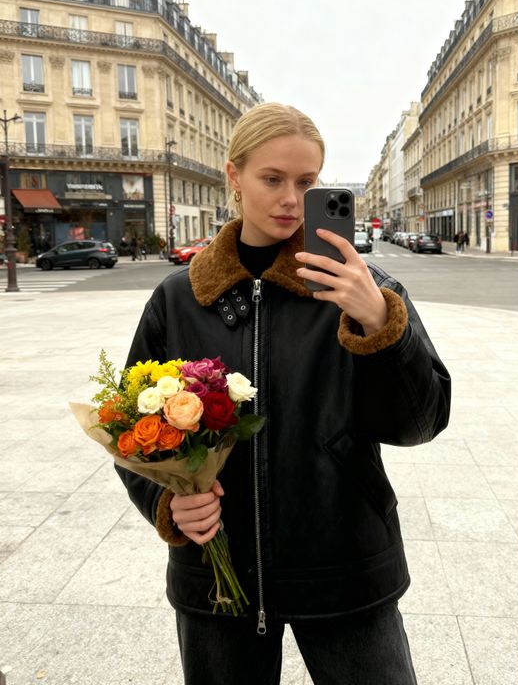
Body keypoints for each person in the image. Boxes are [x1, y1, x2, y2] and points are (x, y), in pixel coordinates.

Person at [116, 102, 451, 685]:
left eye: (307, 182)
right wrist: (167, 505)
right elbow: (129, 429)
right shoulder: (178, 300)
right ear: (234, 177)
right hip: (217, 578)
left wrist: (378, 324)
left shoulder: (366, 293)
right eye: (272, 179)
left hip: (345, 568)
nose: (291, 199)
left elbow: (419, 423)